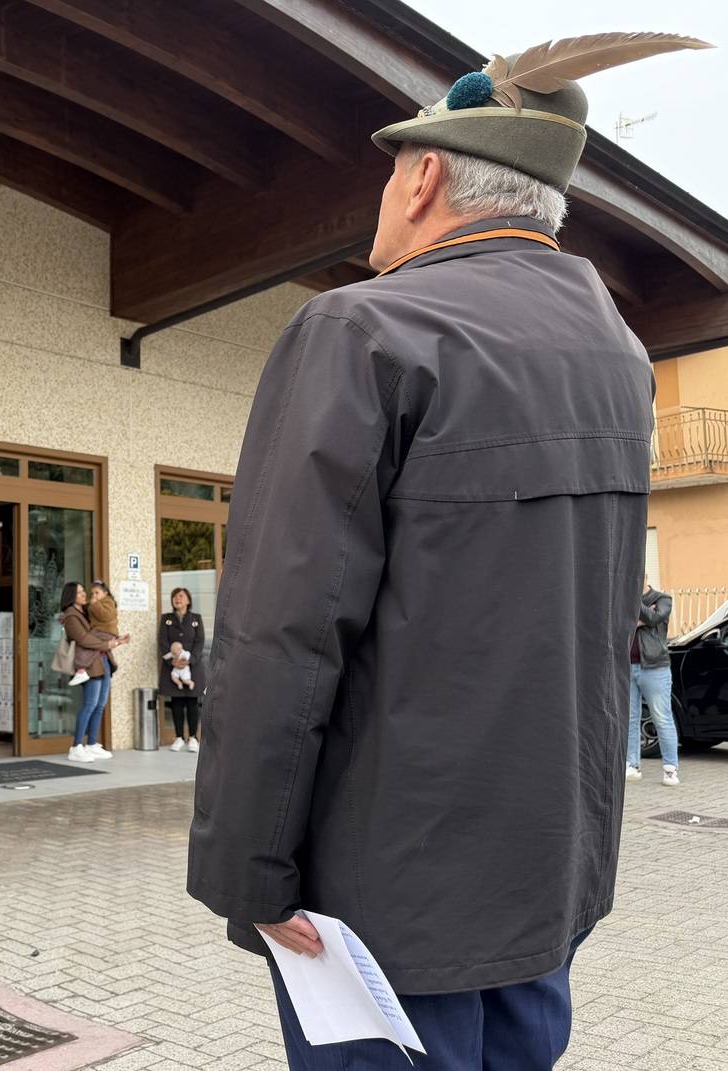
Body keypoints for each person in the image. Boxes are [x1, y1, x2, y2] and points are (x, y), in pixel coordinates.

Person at [188, 36, 676, 1070]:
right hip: (547, 881)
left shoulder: (365, 330)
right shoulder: (621, 359)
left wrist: (249, 872)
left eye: (389, 175)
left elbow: (281, 628)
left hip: (384, 906)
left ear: (423, 180)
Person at [58, 582, 123, 763]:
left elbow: (101, 627)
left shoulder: (86, 611)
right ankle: (76, 746)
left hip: (102, 661)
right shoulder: (71, 616)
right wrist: (107, 644)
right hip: (90, 664)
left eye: (83, 591)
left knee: (100, 704)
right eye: (80, 592)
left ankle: (92, 744)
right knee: (90, 704)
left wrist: (116, 639)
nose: (84, 594)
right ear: (71, 596)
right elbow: (84, 639)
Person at [628, 578, 678, 786]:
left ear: (645, 578)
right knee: (630, 719)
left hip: (655, 667)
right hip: (627, 667)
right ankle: (632, 765)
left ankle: (670, 769)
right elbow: (619, 624)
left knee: (662, 718)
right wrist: (639, 619)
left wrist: (636, 610)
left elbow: (653, 618)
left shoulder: (663, 599)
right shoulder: (624, 599)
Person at [160, 588, 204, 752]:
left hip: (192, 667)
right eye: (174, 596)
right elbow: (163, 641)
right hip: (173, 667)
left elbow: (199, 642)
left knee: (192, 703)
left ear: (188, 600)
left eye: (181, 596)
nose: (177, 599)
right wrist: (173, 661)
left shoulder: (196, 619)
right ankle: (178, 737)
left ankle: (193, 737)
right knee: (177, 702)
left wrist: (190, 660)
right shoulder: (167, 619)